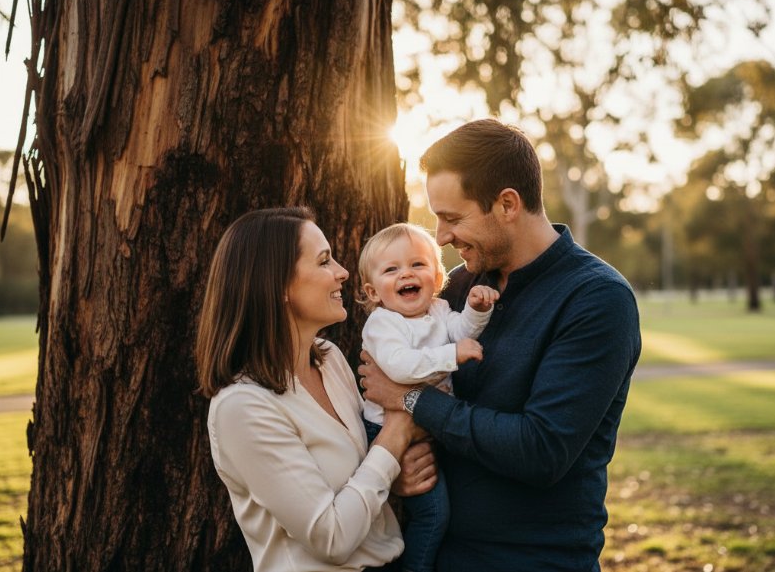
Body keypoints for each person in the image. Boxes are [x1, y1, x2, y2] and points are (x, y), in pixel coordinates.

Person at [360, 120, 642, 572]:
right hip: (434, 552)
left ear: (507, 204)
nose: (442, 236)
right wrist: (402, 470)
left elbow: (539, 450)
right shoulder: (459, 286)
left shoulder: (597, 299)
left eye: (453, 218)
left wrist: (412, 400)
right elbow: (390, 379)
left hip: (530, 561)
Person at [196, 207, 436, 572]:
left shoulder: (329, 358)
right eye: (324, 261)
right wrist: (398, 430)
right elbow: (331, 537)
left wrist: (395, 478)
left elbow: (367, 472)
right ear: (277, 286)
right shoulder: (242, 407)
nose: (342, 272)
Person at [357, 222, 499, 572]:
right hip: (389, 432)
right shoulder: (383, 324)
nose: (407, 273)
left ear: (437, 278)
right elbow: (400, 367)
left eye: (418, 265)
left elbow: (460, 331)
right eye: (392, 269)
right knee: (435, 515)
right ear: (373, 292)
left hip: (431, 422)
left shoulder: (438, 310)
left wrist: (477, 309)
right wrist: (451, 356)